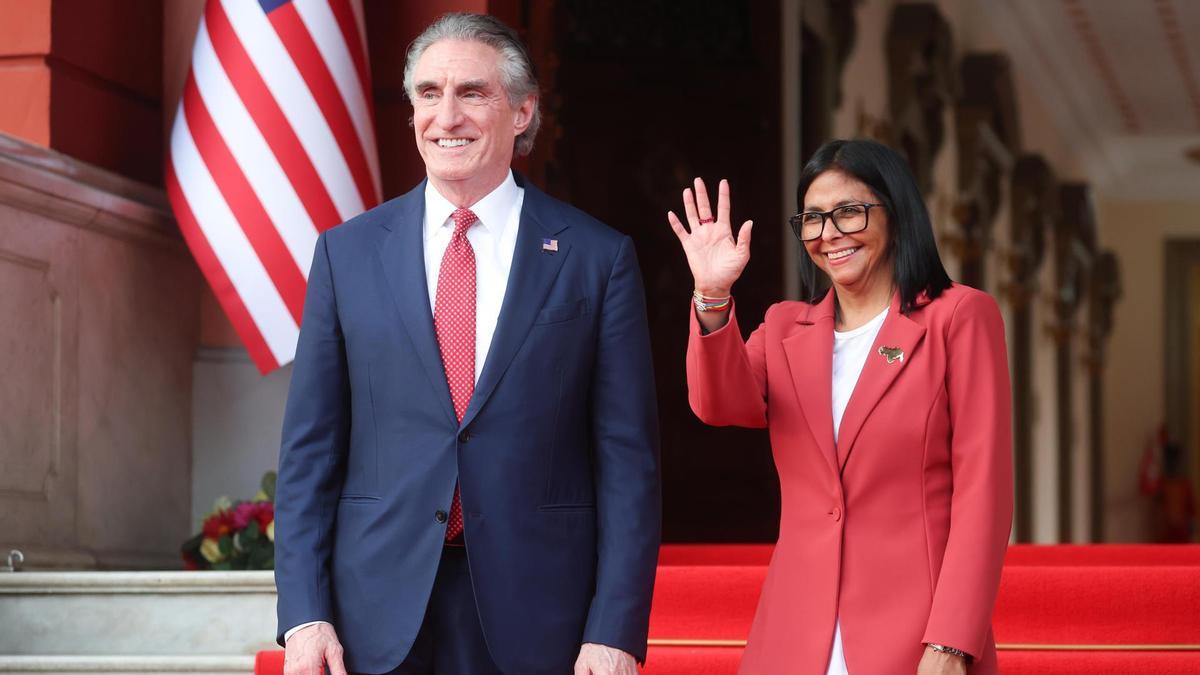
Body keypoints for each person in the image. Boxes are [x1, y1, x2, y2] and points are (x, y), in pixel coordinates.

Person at [274, 13, 660, 675]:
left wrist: (615, 629)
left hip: (541, 619)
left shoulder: (597, 259)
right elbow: (309, 453)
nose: (445, 115)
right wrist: (305, 614)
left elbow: (628, 464)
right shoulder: (348, 254)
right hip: (373, 618)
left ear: (521, 112)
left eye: (472, 93)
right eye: (427, 94)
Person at [669, 139, 1012, 674]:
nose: (828, 234)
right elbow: (718, 404)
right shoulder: (786, 327)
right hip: (794, 632)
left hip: (914, 632)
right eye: (812, 218)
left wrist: (950, 642)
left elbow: (983, 493)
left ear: (895, 214)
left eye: (848, 212)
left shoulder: (959, 318)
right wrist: (712, 295)